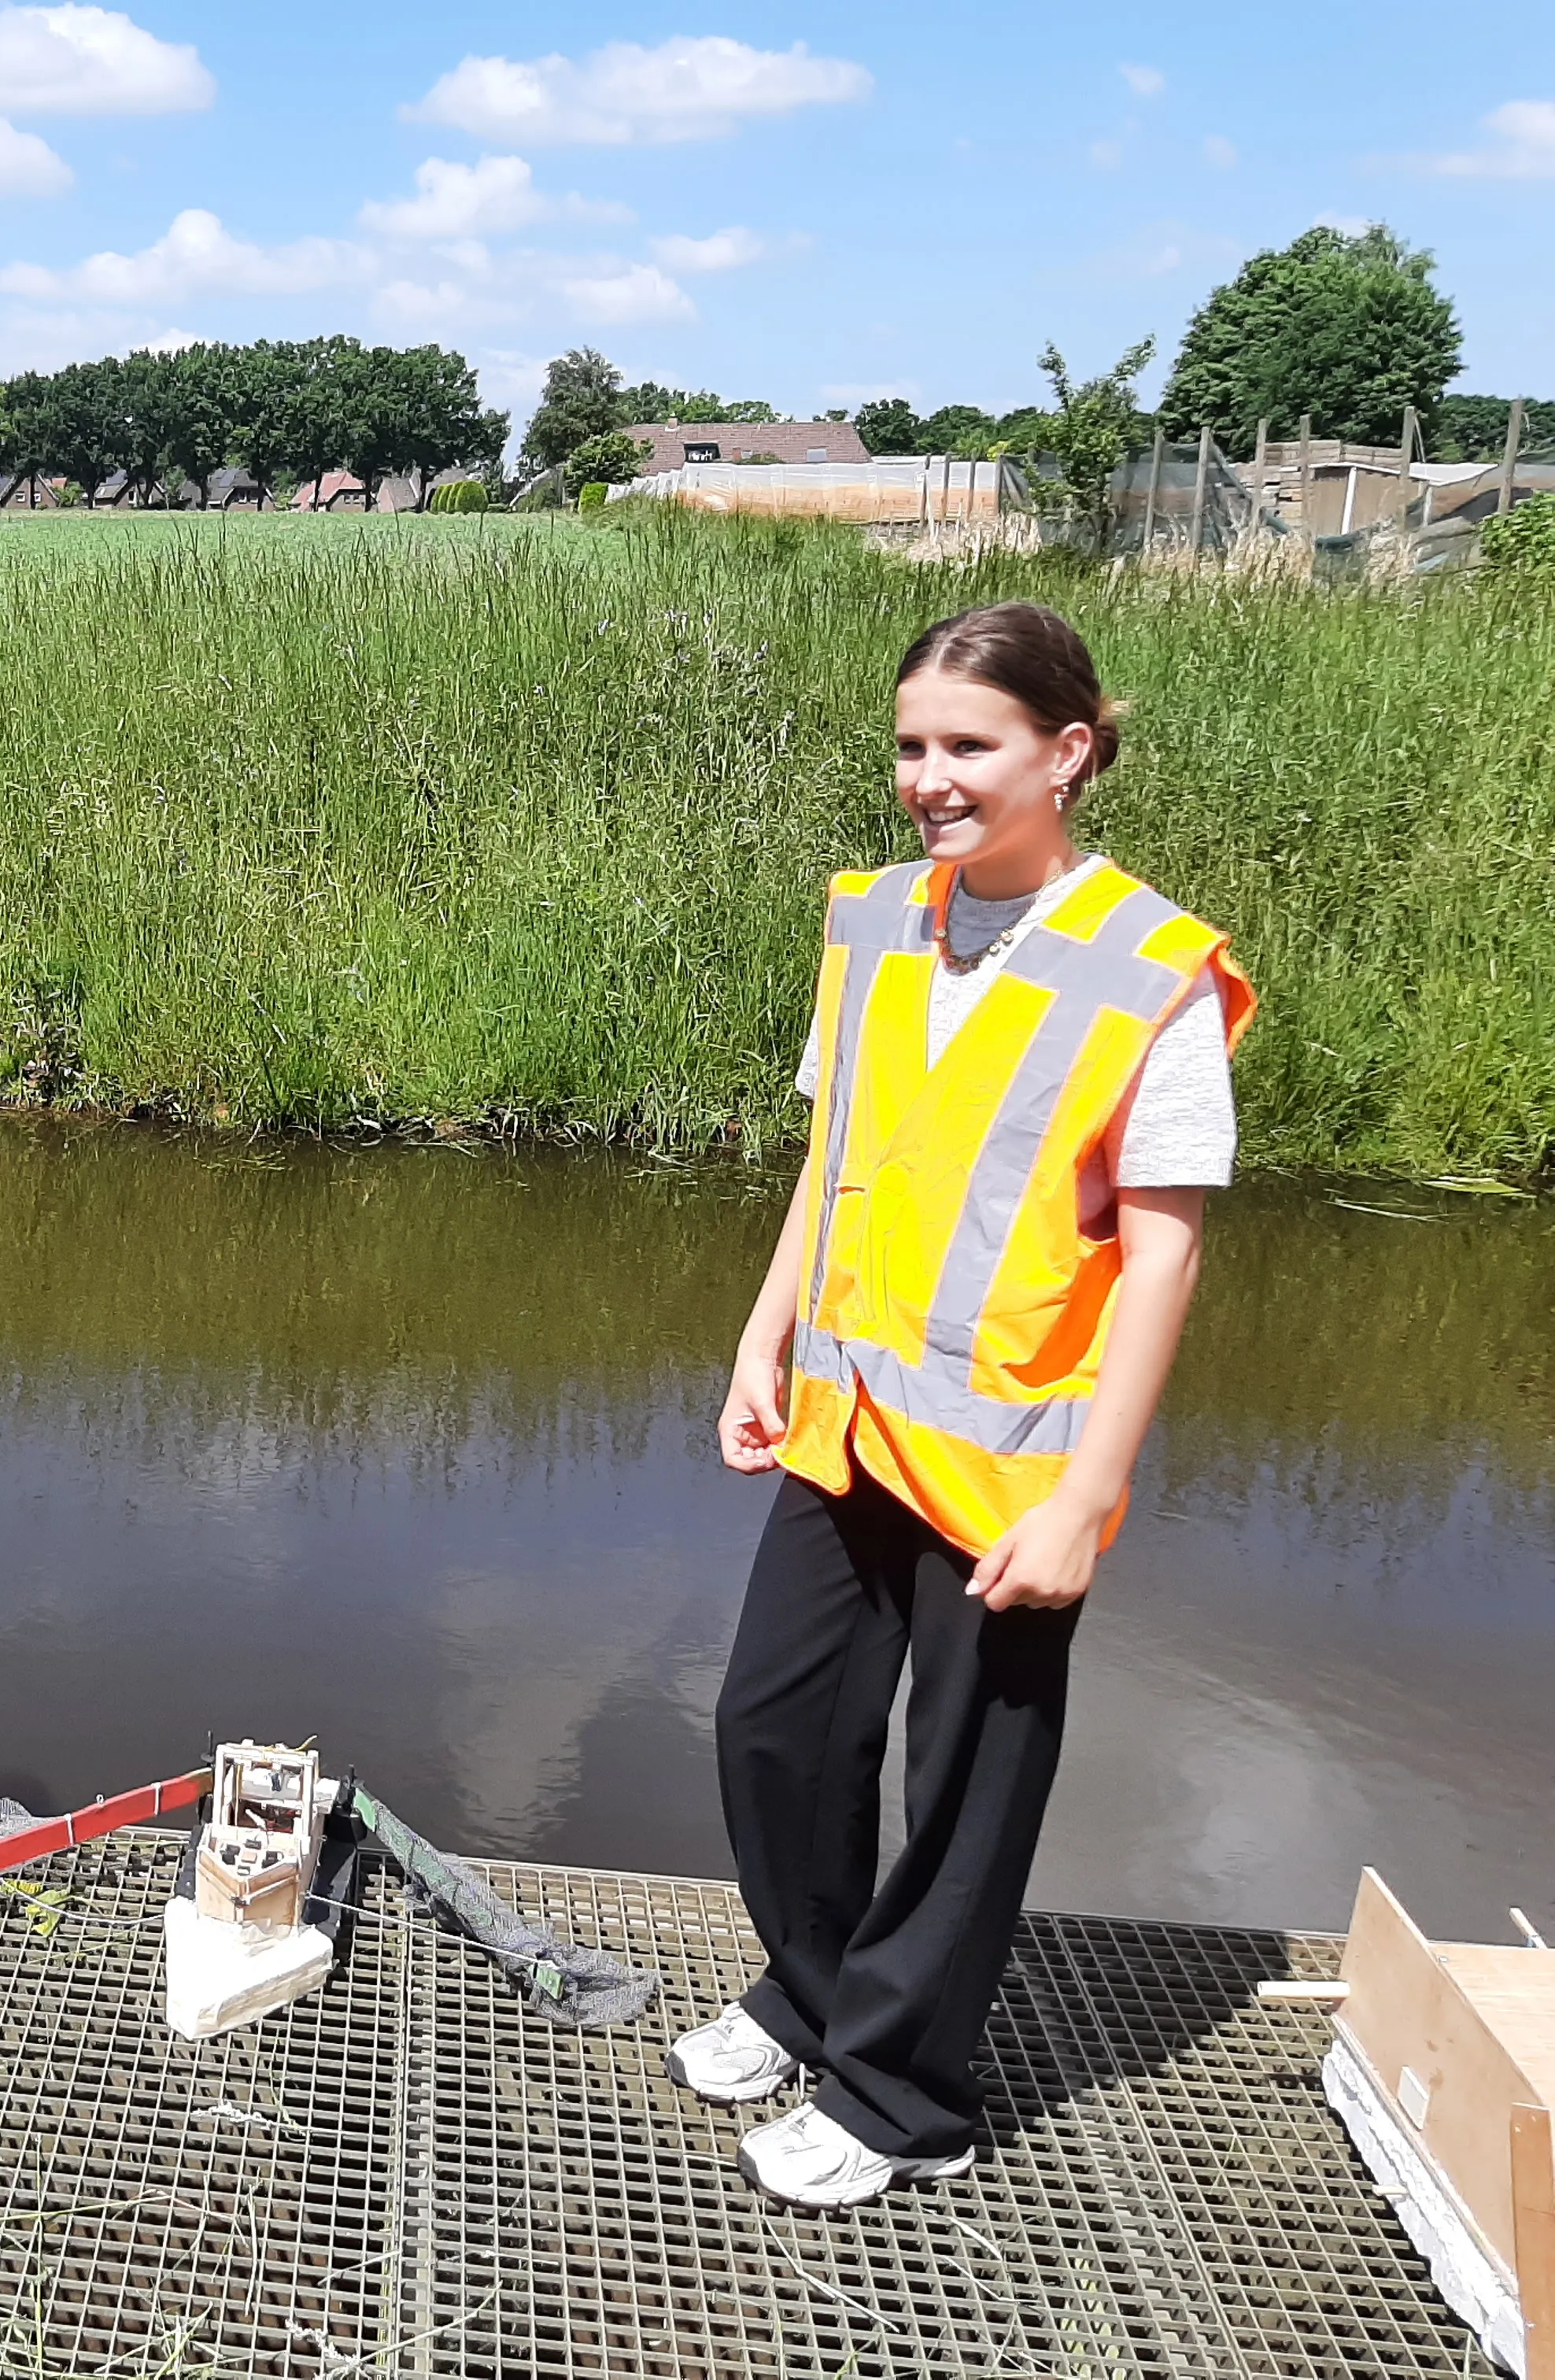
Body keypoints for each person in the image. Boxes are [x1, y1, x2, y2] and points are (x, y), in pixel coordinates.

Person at [673, 602, 1254, 2209]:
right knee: (774, 1729)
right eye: (914, 744)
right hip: (848, 1426)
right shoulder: (871, 921)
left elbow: (1164, 1258)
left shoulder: (1156, 971)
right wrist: (763, 1336)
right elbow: (835, 1154)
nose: (932, 776)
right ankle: (808, 1994)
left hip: (1012, 1472)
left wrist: (1087, 1499)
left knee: (963, 1782)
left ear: (1065, 753)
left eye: (970, 746)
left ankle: (898, 2092)